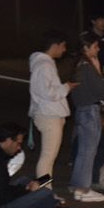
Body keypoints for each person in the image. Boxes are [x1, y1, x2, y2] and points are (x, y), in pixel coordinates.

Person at [27, 30, 77, 189]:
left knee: (48, 157)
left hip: (48, 114)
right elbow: (47, 92)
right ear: (55, 45)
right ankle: (44, 193)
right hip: (49, 115)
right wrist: (66, 87)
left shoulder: (43, 63)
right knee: (48, 158)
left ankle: (45, 192)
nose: (64, 50)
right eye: (63, 46)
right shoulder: (44, 65)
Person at [67, 31, 104, 203]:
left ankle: (78, 186)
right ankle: (83, 189)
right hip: (89, 111)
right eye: (95, 46)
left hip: (82, 110)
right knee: (88, 151)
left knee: (84, 151)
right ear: (86, 48)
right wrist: (99, 71)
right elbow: (101, 90)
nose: (98, 49)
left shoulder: (79, 65)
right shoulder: (87, 66)